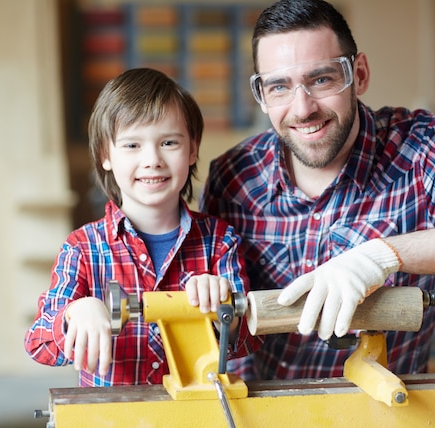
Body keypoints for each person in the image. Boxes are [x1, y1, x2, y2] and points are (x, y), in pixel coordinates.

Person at [200, 0, 435, 381]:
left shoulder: (424, 148)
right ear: (262, 95)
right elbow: (215, 330)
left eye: (321, 79)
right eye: (279, 86)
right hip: (262, 413)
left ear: (359, 74)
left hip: (390, 410)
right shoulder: (234, 176)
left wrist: (381, 256)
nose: (302, 109)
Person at [25, 68, 261, 386]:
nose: (152, 159)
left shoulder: (220, 242)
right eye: (132, 145)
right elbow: (39, 344)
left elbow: (245, 341)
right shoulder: (82, 248)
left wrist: (225, 312)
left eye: (168, 142)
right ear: (105, 155)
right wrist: (74, 313)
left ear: (192, 149)